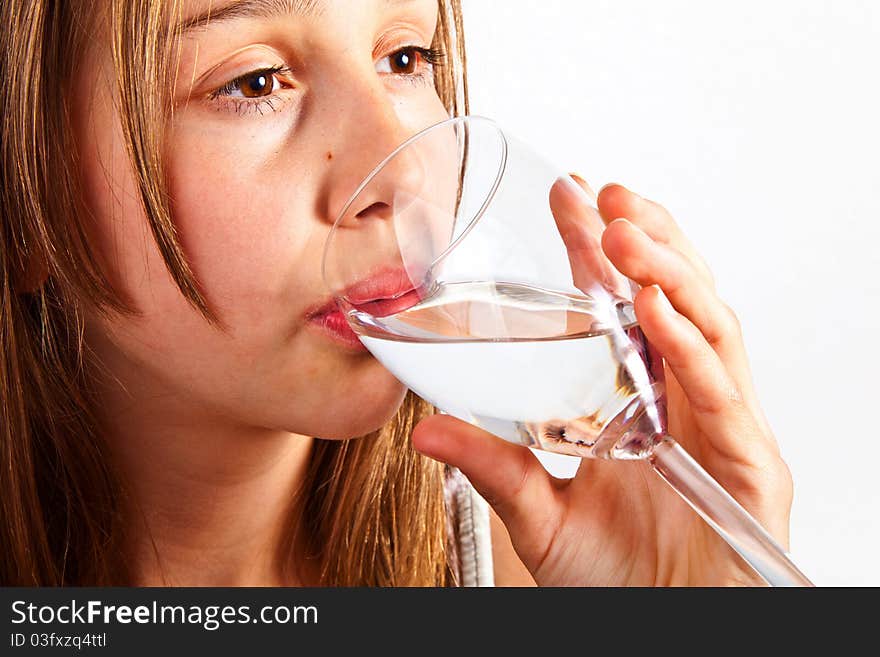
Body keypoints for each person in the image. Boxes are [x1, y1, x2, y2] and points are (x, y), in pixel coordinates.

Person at [0, 0, 793, 587]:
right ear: (27, 195)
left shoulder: (527, 567)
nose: (404, 166)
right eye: (254, 81)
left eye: (406, 59)